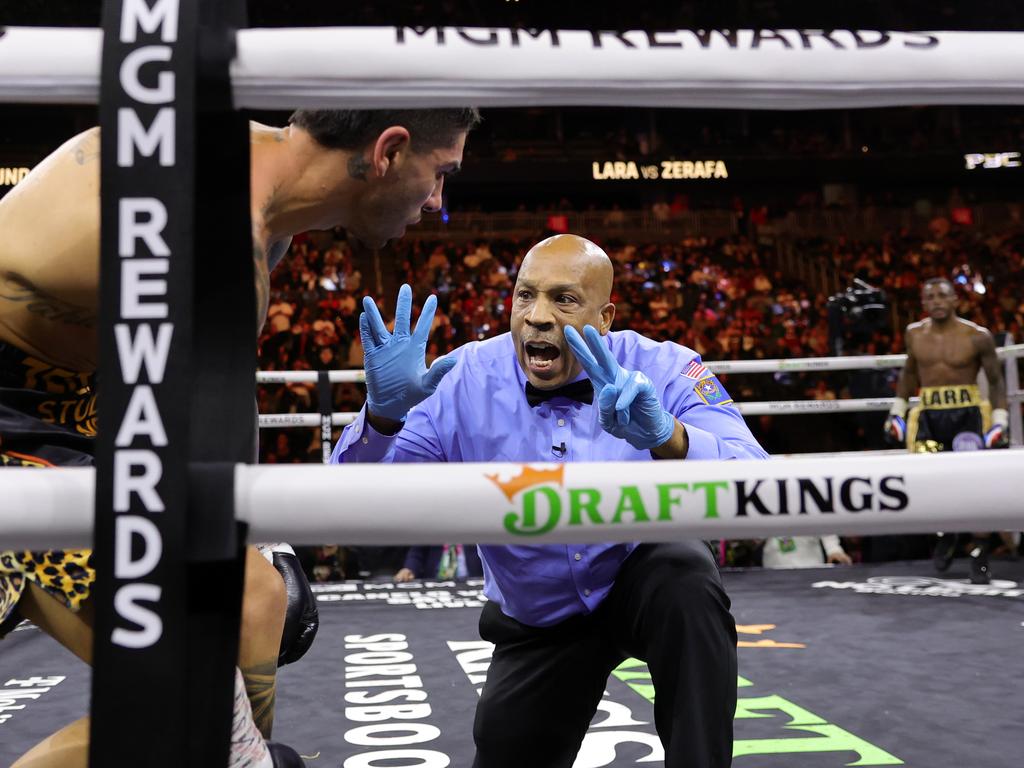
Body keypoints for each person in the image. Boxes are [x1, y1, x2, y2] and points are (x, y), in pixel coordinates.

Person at [0, 107, 480, 767]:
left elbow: (202, 399)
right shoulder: (203, 226)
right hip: (13, 438)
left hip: (67, 412)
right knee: (200, 700)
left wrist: (259, 535)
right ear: (390, 151)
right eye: (440, 173)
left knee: (258, 602)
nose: (437, 201)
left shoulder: (253, 196)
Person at [332, 234, 768, 768]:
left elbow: (757, 488)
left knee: (686, 577)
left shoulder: (664, 367)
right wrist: (381, 419)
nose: (537, 316)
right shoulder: (462, 378)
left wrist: (669, 438)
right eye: (524, 295)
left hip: (641, 573)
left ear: (605, 317)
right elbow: (354, 511)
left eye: (563, 299)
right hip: (537, 612)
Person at [883, 276, 1011, 584]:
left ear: (955, 300)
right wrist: (897, 411)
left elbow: (995, 381)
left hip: (968, 415)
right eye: (931, 297)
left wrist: (1000, 421)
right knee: (929, 480)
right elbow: (909, 372)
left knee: (975, 484)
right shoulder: (914, 333)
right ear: (924, 303)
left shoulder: (978, 336)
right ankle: (947, 532)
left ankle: (980, 551)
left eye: (943, 295)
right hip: (928, 416)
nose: (937, 301)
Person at [395, 544, 484, 582]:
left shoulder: (476, 522)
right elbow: (417, 553)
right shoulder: (430, 523)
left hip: (473, 580)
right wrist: (409, 569)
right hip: (435, 581)